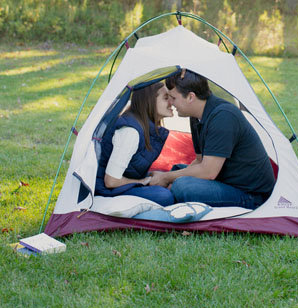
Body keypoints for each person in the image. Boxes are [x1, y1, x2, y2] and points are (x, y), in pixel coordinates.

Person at [149, 70, 275, 209]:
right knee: (177, 170)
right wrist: (171, 177)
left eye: (173, 98)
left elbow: (208, 172)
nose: (171, 103)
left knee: (182, 186)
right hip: (224, 180)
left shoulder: (223, 116)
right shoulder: (196, 115)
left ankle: (171, 194)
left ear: (191, 97)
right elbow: (199, 160)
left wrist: (167, 178)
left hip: (250, 195)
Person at [95, 81, 175, 206]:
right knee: (164, 196)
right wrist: (144, 181)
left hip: (123, 183)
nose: (172, 102)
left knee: (170, 177)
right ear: (149, 101)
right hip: (107, 190)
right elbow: (111, 181)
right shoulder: (130, 132)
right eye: (166, 98)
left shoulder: (146, 127)